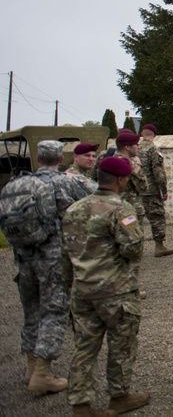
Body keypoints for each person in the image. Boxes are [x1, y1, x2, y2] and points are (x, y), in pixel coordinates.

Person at [61, 155, 148, 416]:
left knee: (84, 347)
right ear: (121, 179)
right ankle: (119, 396)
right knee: (121, 345)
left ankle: (81, 404)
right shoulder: (120, 209)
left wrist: (71, 285)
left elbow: (65, 255)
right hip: (116, 290)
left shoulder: (74, 209)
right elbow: (133, 249)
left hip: (83, 290)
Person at [1, 140, 90, 396]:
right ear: (60, 158)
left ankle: (30, 368)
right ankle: (42, 373)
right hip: (52, 258)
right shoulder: (66, 181)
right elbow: (97, 197)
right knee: (54, 311)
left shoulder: (17, 183)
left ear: (38, 158)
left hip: (23, 257)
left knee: (31, 312)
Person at [137, 124, 173, 257]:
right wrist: (163, 189)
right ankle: (159, 246)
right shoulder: (153, 149)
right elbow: (158, 172)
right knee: (157, 217)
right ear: (154, 135)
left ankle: (136, 247)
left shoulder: (134, 148)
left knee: (136, 218)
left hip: (136, 190)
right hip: (151, 190)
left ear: (142, 133)